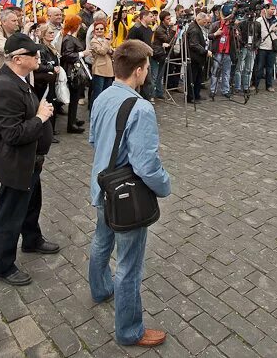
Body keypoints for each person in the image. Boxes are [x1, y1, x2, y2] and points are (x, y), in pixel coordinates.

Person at [88, 40, 171, 348]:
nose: (147, 74)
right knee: (129, 265)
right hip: (126, 197)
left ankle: (99, 289)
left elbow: (94, 140)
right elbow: (146, 165)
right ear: (138, 71)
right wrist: (165, 185)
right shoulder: (141, 108)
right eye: (147, 69)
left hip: (101, 185)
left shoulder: (102, 96)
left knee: (100, 240)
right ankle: (129, 330)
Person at [0, 33, 58, 286]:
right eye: (33, 54)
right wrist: (40, 118)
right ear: (18, 59)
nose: (38, 57)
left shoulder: (17, 78)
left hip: (31, 160)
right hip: (17, 162)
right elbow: (13, 134)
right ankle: (3, 265)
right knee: (10, 213)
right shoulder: (5, 86)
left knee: (31, 203)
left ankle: (31, 239)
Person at [61, 15, 90, 134]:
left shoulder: (71, 37)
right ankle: (71, 124)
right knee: (74, 97)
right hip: (72, 72)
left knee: (75, 97)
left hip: (75, 70)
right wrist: (82, 54)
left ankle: (73, 119)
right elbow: (67, 55)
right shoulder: (68, 38)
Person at [32, 26, 62, 141]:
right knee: (47, 105)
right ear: (43, 34)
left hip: (50, 81)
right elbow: (39, 65)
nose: (52, 34)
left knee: (52, 104)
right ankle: (46, 133)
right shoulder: (41, 48)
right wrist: (52, 67)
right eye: (49, 32)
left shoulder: (51, 47)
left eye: (52, 32)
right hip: (44, 83)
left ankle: (50, 131)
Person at [126, 9, 155, 99]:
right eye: (150, 16)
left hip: (146, 58)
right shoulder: (136, 29)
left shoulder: (149, 29)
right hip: (137, 58)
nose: (153, 18)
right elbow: (129, 43)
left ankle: (145, 100)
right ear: (143, 17)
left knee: (147, 81)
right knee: (136, 81)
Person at [209, 11, 237, 99]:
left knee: (226, 73)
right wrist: (215, 34)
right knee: (215, 72)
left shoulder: (233, 27)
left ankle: (225, 90)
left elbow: (238, 39)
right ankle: (213, 90)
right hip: (218, 52)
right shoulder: (215, 25)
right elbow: (209, 36)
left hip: (228, 53)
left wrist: (236, 35)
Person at [253, 4, 277, 92]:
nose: (273, 11)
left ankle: (269, 85)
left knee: (270, 68)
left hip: (272, 47)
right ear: (266, 9)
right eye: (272, 9)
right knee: (259, 67)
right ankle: (255, 84)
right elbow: (255, 33)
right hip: (262, 47)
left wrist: (276, 30)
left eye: (274, 9)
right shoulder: (260, 20)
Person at [185, 12, 211, 103]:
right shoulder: (194, 29)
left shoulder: (197, 27)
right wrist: (205, 51)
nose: (205, 24)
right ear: (199, 19)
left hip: (198, 58)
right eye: (204, 22)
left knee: (198, 78)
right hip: (194, 58)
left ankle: (196, 94)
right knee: (192, 78)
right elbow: (194, 44)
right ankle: (191, 97)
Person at [89, 21, 115, 107]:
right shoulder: (94, 41)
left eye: (101, 29)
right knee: (97, 94)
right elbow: (102, 51)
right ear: (94, 31)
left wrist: (110, 50)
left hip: (109, 70)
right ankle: (93, 113)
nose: (99, 30)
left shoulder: (105, 40)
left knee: (106, 94)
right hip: (99, 70)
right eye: (97, 29)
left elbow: (112, 52)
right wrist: (107, 41)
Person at [234, 11, 261, 94]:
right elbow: (238, 35)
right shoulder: (242, 24)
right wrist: (243, 44)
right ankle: (237, 87)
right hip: (244, 47)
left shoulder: (258, 24)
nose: (252, 16)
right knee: (239, 68)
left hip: (252, 48)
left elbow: (259, 37)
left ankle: (246, 86)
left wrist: (256, 45)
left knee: (249, 69)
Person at [150, 11, 174, 99]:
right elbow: (167, 39)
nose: (170, 20)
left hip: (162, 54)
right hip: (156, 54)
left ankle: (159, 93)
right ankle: (151, 95)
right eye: (168, 19)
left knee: (160, 75)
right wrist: (173, 30)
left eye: (170, 18)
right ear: (163, 20)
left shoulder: (167, 28)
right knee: (154, 76)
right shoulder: (160, 29)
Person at [0, 9, 21, 73]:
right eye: (14, 21)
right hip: (5, 77)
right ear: (4, 22)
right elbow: (10, 49)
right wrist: (26, 33)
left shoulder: (15, 34)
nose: (17, 23)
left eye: (17, 20)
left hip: (16, 74)